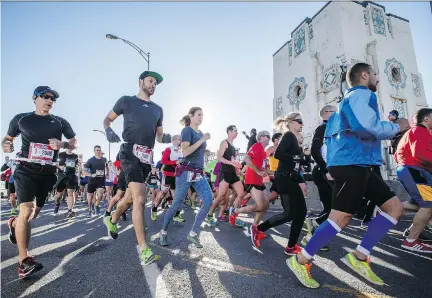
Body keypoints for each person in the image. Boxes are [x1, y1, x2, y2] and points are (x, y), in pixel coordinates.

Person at [287, 62, 409, 288]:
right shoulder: (360, 95)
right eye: (374, 74)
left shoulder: (347, 102)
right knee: (340, 219)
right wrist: (397, 127)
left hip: (361, 164)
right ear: (364, 75)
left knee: (395, 208)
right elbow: (366, 126)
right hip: (352, 164)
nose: (377, 78)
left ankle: (359, 256)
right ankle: (300, 259)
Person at [3, 86, 78, 278]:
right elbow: (8, 138)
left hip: (48, 174)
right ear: (34, 98)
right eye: (45, 96)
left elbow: (74, 142)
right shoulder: (22, 119)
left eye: (53, 98)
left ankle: (14, 225)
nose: (49, 100)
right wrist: (6, 144)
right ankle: (23, 260)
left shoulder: (60, 122)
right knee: (26, 209)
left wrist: (62, 145)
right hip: (26, 170)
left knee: (32, 214)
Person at [102, 70, 171, 265]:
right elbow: (107, 119)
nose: (153, 85)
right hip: (129, 152)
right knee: (141, 198)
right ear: (141, 81)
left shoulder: (158, 109)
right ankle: (144, 249)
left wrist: (163, 138)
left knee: (129, 200)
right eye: (150, 81)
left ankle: (112, 219)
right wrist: (108, 130)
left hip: (147, 157)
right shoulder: (126, 101)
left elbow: (159, 135)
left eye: (156, 83)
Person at [253, 115, 308, 253]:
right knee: (294, 213)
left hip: (290, 178)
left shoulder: (295, 140)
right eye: (299, 121)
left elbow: (295, 165)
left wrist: (301, 179)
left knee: (296, 214)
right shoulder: (288, 135)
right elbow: (278, 154)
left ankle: (290, 245)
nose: (302, 124)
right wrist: (299, 157)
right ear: (290, 123)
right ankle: (259, 229)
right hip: (284, 179)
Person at [159, 107, 213, 248]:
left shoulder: (200, 133)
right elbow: (186, 151)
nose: (201, 117)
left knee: (208, 199)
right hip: (186, 172)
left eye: (203, 114)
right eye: (199, 114)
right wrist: (202, 140)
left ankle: (193, 233)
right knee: (177, 204)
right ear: (191, 116)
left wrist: (204, 149)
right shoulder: (187, 130)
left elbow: (198, 152)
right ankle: (163, 231)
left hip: (198, 172)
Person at [395, 108, 432, 253]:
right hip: (415, 171)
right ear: (426, 119)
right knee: (429, 204)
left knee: (417, 204)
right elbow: (421, 154)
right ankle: (411, 241)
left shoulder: (413, 132)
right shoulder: (420, 131)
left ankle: (386, 209)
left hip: (411, 170)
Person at [305, 105, 336, 245]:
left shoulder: (332, 128)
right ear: (327, 114)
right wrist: (326, 170)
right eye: (335, 112)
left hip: (328, 172)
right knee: (335, 208)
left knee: (330, 208)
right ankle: (314, 228)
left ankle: (314, 233)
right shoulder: (322, 128)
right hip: (323, 172)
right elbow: (314, 151)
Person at [207, 125, 244, 226]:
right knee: (221, 195)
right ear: (229, 131)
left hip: (232, 172)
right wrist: (232, 164)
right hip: (225, 171)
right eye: (235, 131)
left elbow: (232, 161)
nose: (237, 132)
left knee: (241, 193)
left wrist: (238, 170)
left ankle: (233, 217)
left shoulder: (233, 146)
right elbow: (219, 157)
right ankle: (209, 215)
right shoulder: (224, 142)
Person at [152, 135, 184, 222]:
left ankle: (177, 214)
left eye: (181, 139)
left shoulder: (181, 151)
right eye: (178, 139)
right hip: (167, 175)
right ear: (173, 140)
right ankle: (154, 208)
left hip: (176, 176)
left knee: (176, 196)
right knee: (162, 194)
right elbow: (163, 161)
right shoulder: (169, 149)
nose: (180, 141)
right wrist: (175, 162)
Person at [52, 148, 80, 218]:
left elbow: (77, 165)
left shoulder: (76, 156)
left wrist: (77, 167)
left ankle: (70, 210)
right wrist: (59, 166)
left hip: (71, 176)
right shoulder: (60, 154)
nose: (70, 147)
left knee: (71, 193)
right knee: (58, 196)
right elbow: (54, 162)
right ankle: (57, 204)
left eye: (72, 146)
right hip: (62, 176)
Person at [82, 145, 107, 217]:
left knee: (100, 194)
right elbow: (84, 171)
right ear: (94, 151)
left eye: (100, 150)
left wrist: (107, 173)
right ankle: (90, 210)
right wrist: (90, 174)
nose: (99, 152)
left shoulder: (104, 159)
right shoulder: (90, 160)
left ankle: (97, 205)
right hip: (92, 181)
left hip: (101, 180)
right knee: (90, 197)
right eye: (97, 150)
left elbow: (106, 166)